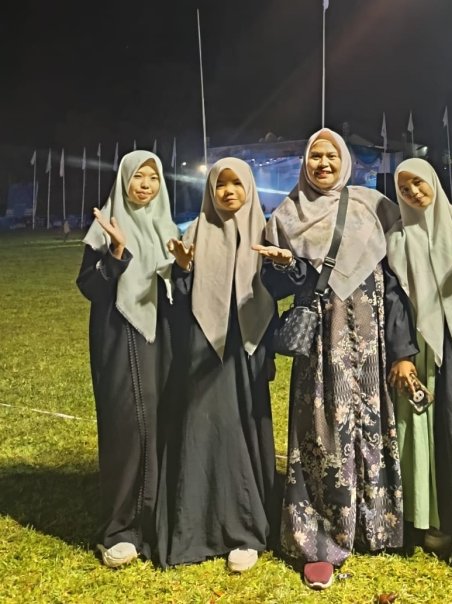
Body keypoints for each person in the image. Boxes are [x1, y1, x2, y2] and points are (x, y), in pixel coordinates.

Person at [253, 128, 415, 590]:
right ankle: (320, 540)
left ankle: (374, 525)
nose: (323, 163)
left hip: (371, 338)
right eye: (315, 156)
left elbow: (395, 281)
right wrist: (287, 267)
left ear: (344, 160)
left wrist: (402, 348)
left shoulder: (373, 206)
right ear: (305, 162)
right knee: (321, 431)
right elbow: (275, 287)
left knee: (372, 423)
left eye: (330, 155)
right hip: (322, 342)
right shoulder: (287, 215)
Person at [155, 158, 278, 572]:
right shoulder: (195, 231)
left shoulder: (265, 232)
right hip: (203, 347)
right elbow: (178, 299)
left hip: (247, 347)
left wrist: (284, 267)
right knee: (204, 429)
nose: (228, 192)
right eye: (220, 184)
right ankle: (199, 526)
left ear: (249, 188)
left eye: (236, 184)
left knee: (244, 428)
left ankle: (246, 528)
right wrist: (182, 269)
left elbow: (278, 290)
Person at [386, 158, 452, 600]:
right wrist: (402, 353)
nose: (413, 192)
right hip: (419, 346)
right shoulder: (396, 238)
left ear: (433, 181)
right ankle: (434, 521)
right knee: (422, 435)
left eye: (419, 183)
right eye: (404, 188)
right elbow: (395, 298)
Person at [76, 151, 178, 567]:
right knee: (127, 426)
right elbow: (90, 288)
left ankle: (158, 521)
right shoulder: (104, 230)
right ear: (123, 181)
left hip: (163, 339)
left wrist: (184, 268)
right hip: (120, 336)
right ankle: (121, 529)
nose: (146, 185)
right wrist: (116, 252)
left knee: (162, 422)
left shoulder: (167, 228)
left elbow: (178, 290)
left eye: (153, 177)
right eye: (138, 176)